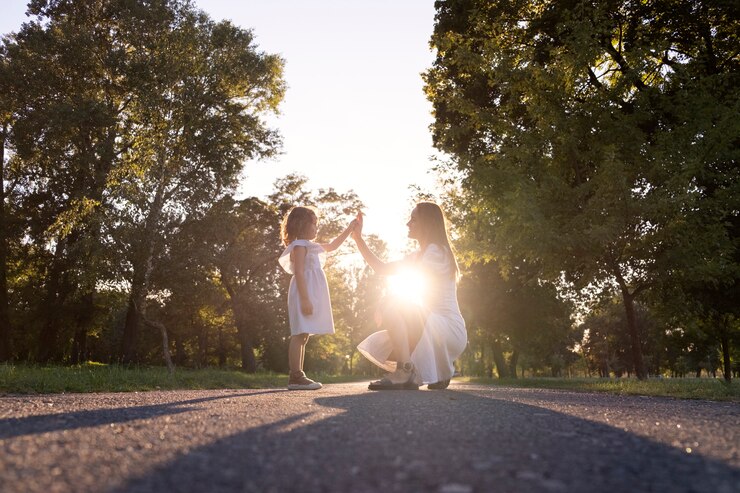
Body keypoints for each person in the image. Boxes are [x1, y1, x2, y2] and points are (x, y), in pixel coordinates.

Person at [353, 202, 467, 390]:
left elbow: (408, 293)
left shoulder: (436, 252)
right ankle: (440, 371)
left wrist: (384, 303)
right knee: (390, 345)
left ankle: (404, 371)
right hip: (431, 326)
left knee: (394, 306)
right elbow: (381, 268)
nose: (408, 223)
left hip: (448, 329)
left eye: (413, 219)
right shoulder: (417, 255)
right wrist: (358, 239)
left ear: (427, 224)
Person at [279, 206, 356, 390]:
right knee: (299, 333)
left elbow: (333, 245)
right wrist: (305, 299)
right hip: (303, 292)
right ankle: (296, 376)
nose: (316, 227)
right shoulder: (299, 246)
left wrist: (350, 228)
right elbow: (298, 272)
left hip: (310, 292)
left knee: (303, 334)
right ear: (302, 225)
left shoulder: (311, 245)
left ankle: (298, 375)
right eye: (314, 224)